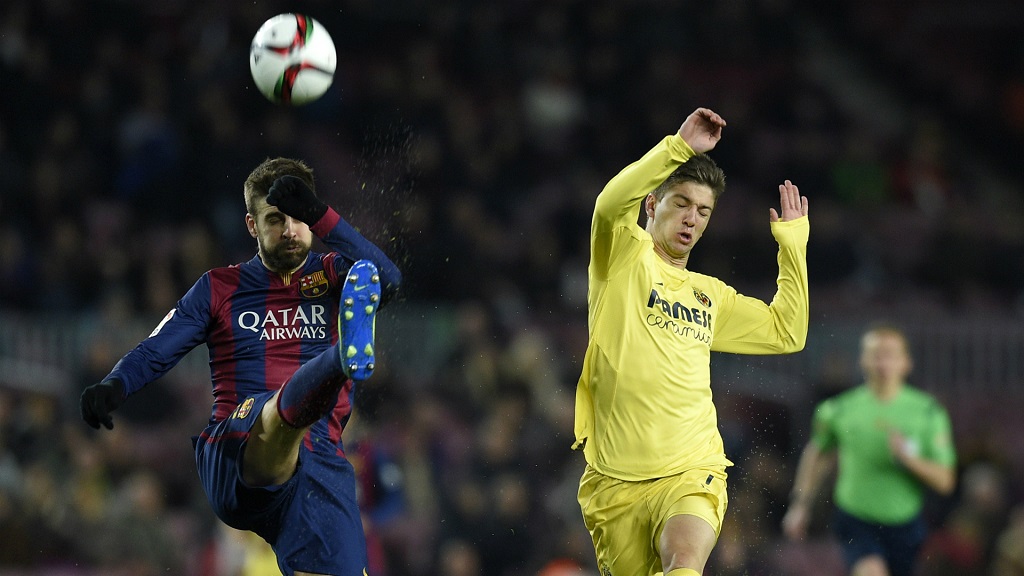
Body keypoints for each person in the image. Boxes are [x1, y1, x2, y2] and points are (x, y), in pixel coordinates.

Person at [80, 157, 402, 576]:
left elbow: (388, 280)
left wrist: (323, 215)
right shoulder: (219, 287)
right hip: (235, 453)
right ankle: (341, 358)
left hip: (319, 465)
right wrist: (114, 384)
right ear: (252, 226)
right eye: (274, 219)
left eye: (300, 218)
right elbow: (157, 348)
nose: (289, 230)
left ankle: (337, 362)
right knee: (276, 419)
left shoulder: (335, 275)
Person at [572, 107, 810, 576]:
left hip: (691, 466)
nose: (691, 219)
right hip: (613, 482)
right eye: (680, 203)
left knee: (684, 562)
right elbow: (607, 204)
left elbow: (788, 332)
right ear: (651, 205)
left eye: (703, 211)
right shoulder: (622, 255)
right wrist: (677, 147)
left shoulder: (710, 296)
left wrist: (792, 244)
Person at [781, 324, 957, 576]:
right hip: (856, 519)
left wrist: (910, 461)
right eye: (876, 354)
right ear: (862, 361)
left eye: (891, 355)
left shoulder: (928, 413)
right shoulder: (838, 410)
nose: (883, 363)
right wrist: (800, 506)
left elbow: (945, 481)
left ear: (906, 363)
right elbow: (819, 454)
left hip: (905, 523)